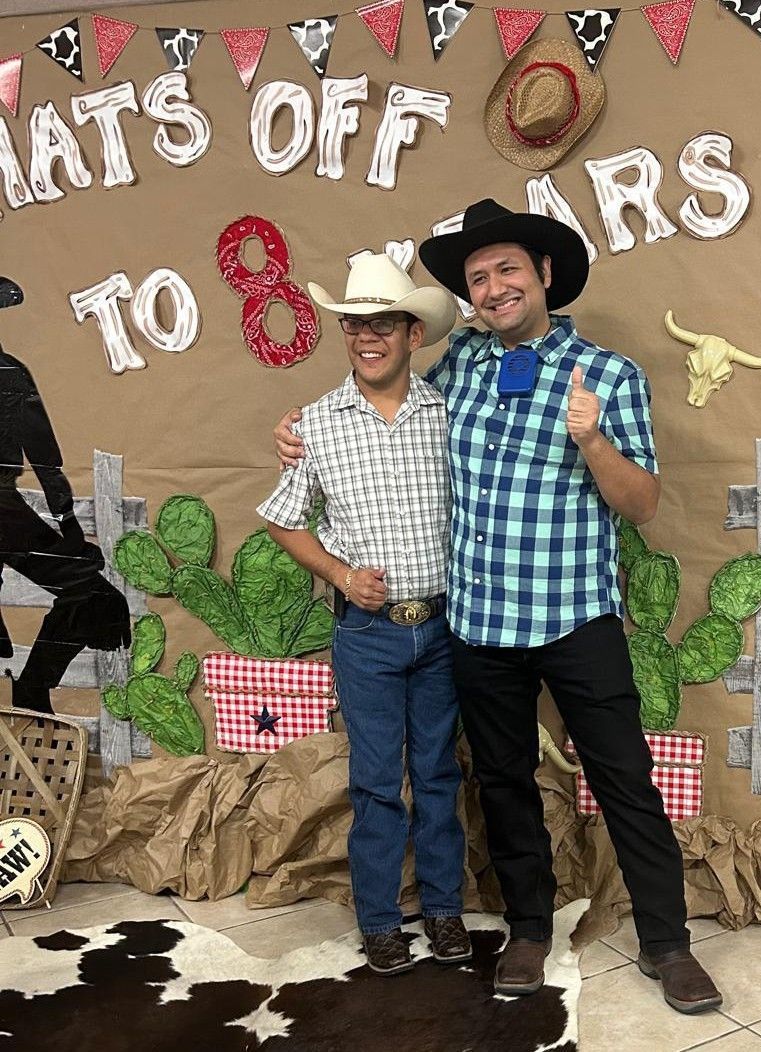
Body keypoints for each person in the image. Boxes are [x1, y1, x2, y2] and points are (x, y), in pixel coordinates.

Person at [277, 201, 722, 1014]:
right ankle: (527, 928)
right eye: (478, 278)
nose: (493, 287)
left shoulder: (608, 374)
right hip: (478, 626)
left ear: (544, 275)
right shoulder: (460, 368)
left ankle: (667, 943)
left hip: (574, 617)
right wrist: (302, 432)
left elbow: (644, 504)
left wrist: (591, 439)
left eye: (507, 269)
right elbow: (385, 402)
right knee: (504, 783)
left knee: (624, 778)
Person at [258, 254, 473, 975]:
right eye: (355, 324)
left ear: (413, 333)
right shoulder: (315, 425)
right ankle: (381, 921)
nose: (366, 337)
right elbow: (283, 521)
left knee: (440, 774)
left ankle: (443, 912)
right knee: (378, 781)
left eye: (382, 322)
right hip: (367, 635)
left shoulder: (449, 413)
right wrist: (341, 575)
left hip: (444, 627)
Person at [0, 274, 131, 713]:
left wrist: (68, 526)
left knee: (96, 596)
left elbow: (45, 459)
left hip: (3, 511)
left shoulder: (10, 374)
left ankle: (33, 688)